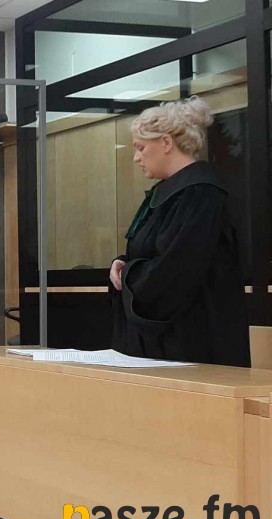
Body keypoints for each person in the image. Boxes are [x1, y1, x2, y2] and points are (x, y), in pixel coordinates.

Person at [110, 96, 249, 366]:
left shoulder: (201, 195)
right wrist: (123, 264)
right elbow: (156, 254)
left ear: (166, 143)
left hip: (192, 341)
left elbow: (176, 269)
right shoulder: (169, 194)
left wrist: (128, 274)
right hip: (170, 340)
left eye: (140, 148)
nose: (136, 158)